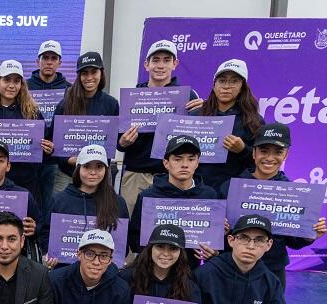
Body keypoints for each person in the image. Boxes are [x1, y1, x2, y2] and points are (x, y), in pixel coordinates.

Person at [219, 122, 327, 288]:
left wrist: (308, 236)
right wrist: (220, 230)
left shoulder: (294, 194)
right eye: (263, 151)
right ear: (253, 153)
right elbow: (218, 235)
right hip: (231, 269)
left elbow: (293, 242)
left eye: (278, 152)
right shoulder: (229, 187)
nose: (270, 158)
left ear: (286, 155)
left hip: (272, 271)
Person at [117, 39, 203, 215]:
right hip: (136, 173)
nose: (161, 65)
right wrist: (124, 142)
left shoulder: (188, 95)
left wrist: (206, 110)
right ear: (146, 65)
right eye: (156, 60)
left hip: (173, 176)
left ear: (175, 63)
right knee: (132, 227)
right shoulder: (133, 96)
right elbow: (119, 143)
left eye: (166, 60)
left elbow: (199, 135)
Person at [0, 60, 54, 203]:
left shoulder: (33, 114)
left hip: (26, 183)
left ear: (22, 85)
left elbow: (43, 148)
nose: (12, 86)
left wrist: (48, 149)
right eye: (7, 80)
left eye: (17, 81)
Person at [128, 135, 219, 270]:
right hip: (155, 269)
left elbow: (214, 241)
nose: (184, 164)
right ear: (166, 163)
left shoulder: (209, 196)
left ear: (197, 163)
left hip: (192, 270)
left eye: (191, 159)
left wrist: (213, 251)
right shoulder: (148, 196)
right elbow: (136, 240)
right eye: (177, 159)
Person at [40, 144, 128, 263]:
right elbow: (45, 233)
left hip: (103, 270)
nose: (93, 172)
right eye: (87, 166)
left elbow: (124, 243)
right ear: (78, 169)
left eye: (99, 167)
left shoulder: (118, 202)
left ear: (106, 170)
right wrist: (48, 253)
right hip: (65, 268)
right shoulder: (59, 200)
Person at [49, 51, 119, 192]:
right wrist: (69, 160)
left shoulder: (111, 104)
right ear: (79, 76)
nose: (89, 77)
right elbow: (53, 142)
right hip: (67, 175)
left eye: (94, 72)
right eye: (84, 73)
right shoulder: (65, 104)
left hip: (99, 177)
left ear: (101, 73)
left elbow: (115, 142)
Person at [193, 59, 264, 190]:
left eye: (234, 81)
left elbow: (261, 164)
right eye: (222, 80)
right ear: (214, 86)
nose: (226, 86)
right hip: (197, 192)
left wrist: (242, 150)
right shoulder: (195, 116)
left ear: (242, 86)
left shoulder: (254, 121)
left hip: (233, 191)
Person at [27, 40, 72, 211]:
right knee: (30, 203)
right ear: (37, 61)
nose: (49, 62)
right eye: (45, 58)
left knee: (51, 204)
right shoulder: (24, 87)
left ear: (60, 62)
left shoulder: (70, 90)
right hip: (28, 156)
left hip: (54, 160)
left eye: (54, 58)